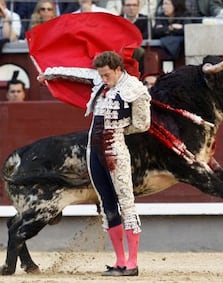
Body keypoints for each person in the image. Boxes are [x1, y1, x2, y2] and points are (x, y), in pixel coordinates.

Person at [85, 51, 151, 276]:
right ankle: (120, 260)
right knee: (107, 204)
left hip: (115, 150)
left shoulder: (134, 88)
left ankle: (132, 263)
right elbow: (76, 73)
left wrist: (118, 129)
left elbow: (142, 124)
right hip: (93, 151)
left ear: (117, 69)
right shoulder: (101, 85)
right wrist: (48, 75)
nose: (103, 79)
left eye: (106, 75)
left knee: (127, 204)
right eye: (101, 75)